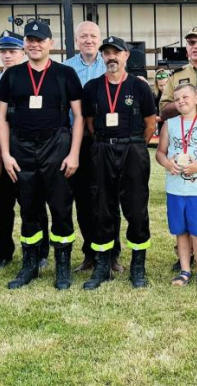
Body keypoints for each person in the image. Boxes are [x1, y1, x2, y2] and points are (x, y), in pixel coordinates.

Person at [0, 20, 83, 290]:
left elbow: (79, 116)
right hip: (21, 147)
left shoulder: (65, 74)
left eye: (40, 39)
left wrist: (74, 154)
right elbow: (0, 119)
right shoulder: (13, 75)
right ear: (25, 44)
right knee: (29, 209)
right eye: (30, 39)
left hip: (56, 145)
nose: (34, 44)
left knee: (60, 208)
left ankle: (62, 267)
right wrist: (6, 155)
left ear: (51, 44)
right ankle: (30, 265)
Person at [81, 36, 157, 290]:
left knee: (136, 209)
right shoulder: (92, 87)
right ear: (102, 57)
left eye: (116, 52)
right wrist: (105, 143)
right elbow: (89, 124)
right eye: (107, 53)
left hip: (133, 149)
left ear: (126, 56)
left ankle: (138, 265)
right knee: (102, 208)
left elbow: (150, 124)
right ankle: (104, 264)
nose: (111, 57)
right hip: (102, 148)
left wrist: (133, 145)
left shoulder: (140, 87)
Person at [62, 21, 124, 273]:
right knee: (83, 200)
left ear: (99, 40)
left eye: (93, 36)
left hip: (104, 140)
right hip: (76, 140)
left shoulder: (110, 64)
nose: (89, 40)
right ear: (76, 40)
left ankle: (112, 255)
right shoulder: (66, 69)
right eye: (83, 36)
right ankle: (89, 254)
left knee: (109, 198)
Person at [158, 26, 197, 272]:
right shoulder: (176, 76)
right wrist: (186, 100)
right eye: (191, 42)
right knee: (184, 201)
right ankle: (184, 256)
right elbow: (163, 110)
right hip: (181, 146)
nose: (196, 46)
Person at [0, 30, 50, 271]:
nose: (7, 56)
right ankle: (4, 253)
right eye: (3, 51)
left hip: (30, 148)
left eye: (12, 51)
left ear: (22, 52)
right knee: (4, 205)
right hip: (1, 146)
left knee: (35, 204)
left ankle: (41, 252)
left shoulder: (31, 77)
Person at [156, 83, 197, 287]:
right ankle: (185, 270)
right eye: (177, 99)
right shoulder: (169, 124)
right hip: (174, 187)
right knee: (180, 230)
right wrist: (167, 163)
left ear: (196, 99)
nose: (181, 101)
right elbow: (160, 152)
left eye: (185, 97)